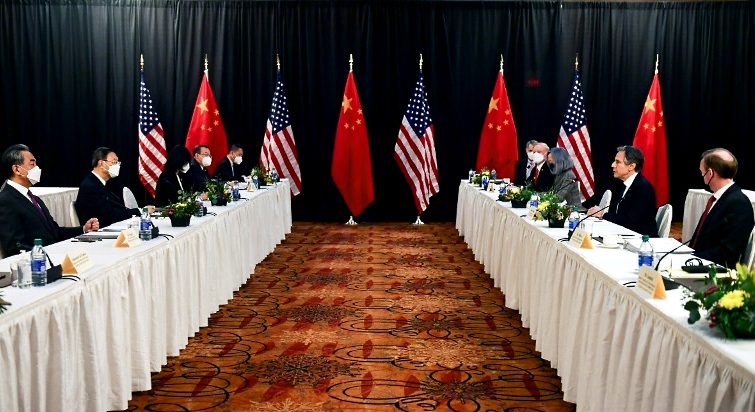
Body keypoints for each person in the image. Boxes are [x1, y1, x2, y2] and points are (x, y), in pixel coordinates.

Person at [0, 144, 99, 257]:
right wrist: (47, 256)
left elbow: (54, 231)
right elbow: (15, 247)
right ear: (17, 169)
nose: (37, 168)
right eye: (32, 164)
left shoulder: (32, 197)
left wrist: (83, 229)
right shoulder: (6, 200)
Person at [689, 148, 755, 268]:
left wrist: (691, 257)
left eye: (702, 172)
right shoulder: (720, 198)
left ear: (710, 173)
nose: (702, 177)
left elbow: (728, 254)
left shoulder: (738, 204)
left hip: (715, 275)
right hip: (699, 263)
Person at [587, 145, 657, 237]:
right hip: (626, 235)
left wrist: (603, 214)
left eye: (617, 162)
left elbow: (632, 222)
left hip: (642, 240)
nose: (612, 165)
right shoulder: (625, 185)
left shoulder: (643, 188)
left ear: (631, 166)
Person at [76, 147, 152, 228]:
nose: (117, 166)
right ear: (101, 164)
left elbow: (117, 209)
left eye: (118, 162)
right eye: (114, 162)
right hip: (98, 232)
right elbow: (110, 214)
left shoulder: (100, 184)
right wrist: (141, 211)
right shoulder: (90, 187)